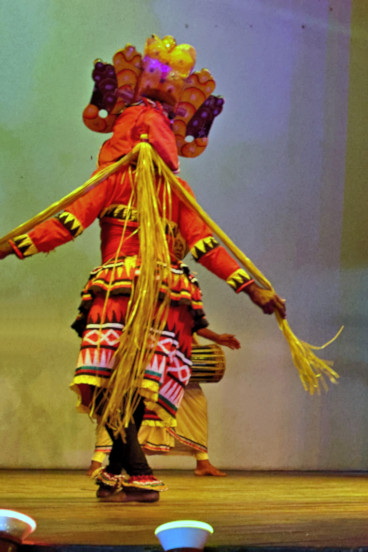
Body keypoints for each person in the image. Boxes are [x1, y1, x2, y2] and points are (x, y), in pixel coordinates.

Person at [0, 35, 286, 503]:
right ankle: (135, 466)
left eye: (160, 125)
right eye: (140, 122)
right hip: (120, 290)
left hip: (162, 296)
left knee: (137, 383)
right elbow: (65, 224)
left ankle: (116, 469)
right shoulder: (112, 181)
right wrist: (13, 247)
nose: (149, 134)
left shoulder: (175, 191)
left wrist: (253, 290)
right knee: (117, 379)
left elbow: (207, 244)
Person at [88, 328, 239, 478]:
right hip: (148, 351)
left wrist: (216, 337)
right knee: (126, 409)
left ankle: (203, 462)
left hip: (177, 352)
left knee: (196, 407)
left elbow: (195, 320)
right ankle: (97, 462)